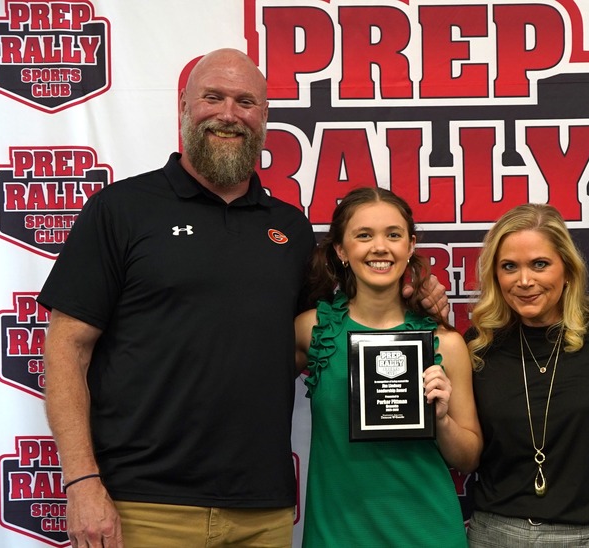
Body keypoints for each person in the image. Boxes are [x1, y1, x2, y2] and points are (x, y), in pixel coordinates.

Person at [39, 49, 448, 548]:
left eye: (246, 102)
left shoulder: (291, 228)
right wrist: (81, 482)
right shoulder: (121, 210)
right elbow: (66, 349)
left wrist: (419, 301)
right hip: (144, 506)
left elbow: (341, 328)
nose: (229, 114)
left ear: (265, 118)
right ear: (185, 108)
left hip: (263, 511)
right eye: (213, 98)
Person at [293, 187, 482, 547]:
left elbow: (469, 458)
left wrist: (440, 419)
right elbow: (248, 382)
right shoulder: (312, 329)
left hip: (427, 532)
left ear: (410, 246)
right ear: (341, 250)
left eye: (393, 235)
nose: (380, 247)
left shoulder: (445, 343)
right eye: (363, 235)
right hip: (337, 535)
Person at [465, 204, 589, 547]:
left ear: (567, 269)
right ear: (496, 275)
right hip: (495, 533)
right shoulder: (480, 346)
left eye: (540, 264)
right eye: (510, 267)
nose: (525, 281)